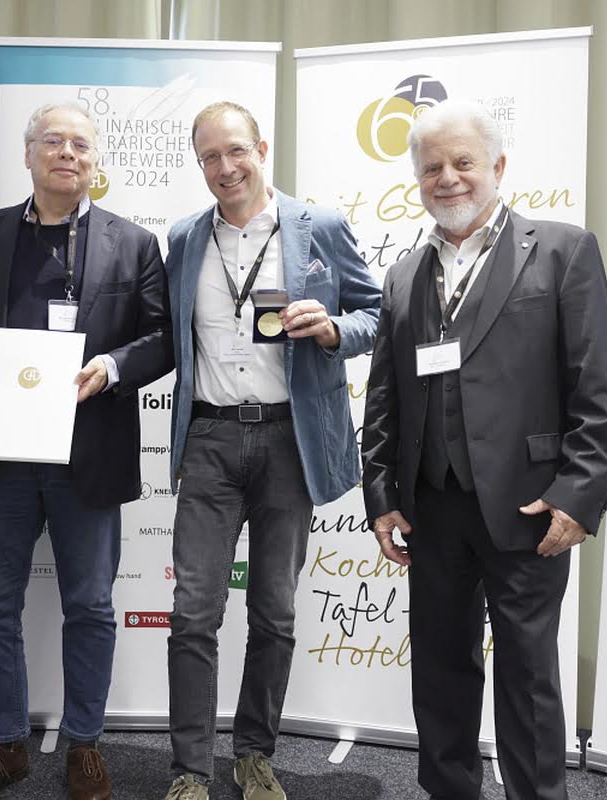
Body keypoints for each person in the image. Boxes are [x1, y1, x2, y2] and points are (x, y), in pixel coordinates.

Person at [361, 98, 607, 800]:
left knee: (528, 677)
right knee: (440, 671)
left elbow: (597, 387)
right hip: (432, 508)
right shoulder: (403, 275)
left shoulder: (563, 250)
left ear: (498, 166)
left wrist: (578, 496)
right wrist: (381, 495)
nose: (447, 178)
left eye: (463, 162)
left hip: (530, 505)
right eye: (432, 168)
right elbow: (384, 397)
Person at [0, 102, 172, 800]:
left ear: (96, 160)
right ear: (29, 153)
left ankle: (84, 745)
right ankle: (6, 743)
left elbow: (163, 338)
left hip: (88, 454)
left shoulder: (135, 243)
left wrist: (113, 368)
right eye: (54, 141)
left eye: (81, 144)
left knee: (90, 606)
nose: (68, 153)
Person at [160, 101, 381, 800]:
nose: (225, 167)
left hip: (291, 439)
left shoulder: (321, 227)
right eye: (209, 157)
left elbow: (379, 314)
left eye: (235, 151)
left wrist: (333, 329)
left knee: (274, 612)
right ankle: (190, 770)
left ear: (260, 148)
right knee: (193, 612)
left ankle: (254, 756)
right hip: (210, 438)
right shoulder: (184, 237)